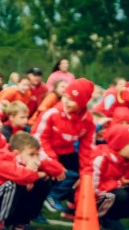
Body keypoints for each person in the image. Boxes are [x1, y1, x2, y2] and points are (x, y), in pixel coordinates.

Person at [0, 132, 55, 230]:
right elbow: (20, 176)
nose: (35, 158)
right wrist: (35, 173)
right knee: (12, 184)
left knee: (43, 182)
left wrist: (50, 172)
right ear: (17, 154)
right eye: (31, 154)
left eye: (37, 154)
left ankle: (22, 224)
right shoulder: (5, 160)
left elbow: (47, 168)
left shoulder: (25, 162)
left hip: (9, 206)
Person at [34, 78, 96, 213]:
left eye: (72, 100)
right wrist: (53, 163)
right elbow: (38, 140)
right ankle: (50, 197)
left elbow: (88, 150)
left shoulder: (88, 121)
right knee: (66, 175)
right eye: (65, 97)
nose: (66, 102)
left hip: (65, 152)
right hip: (43, 153)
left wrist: (85, 174)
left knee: (86, 175)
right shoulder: (51, 114)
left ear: (82, 103)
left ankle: (73, 203)